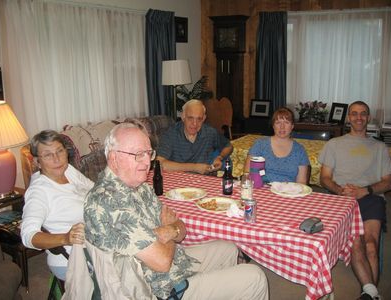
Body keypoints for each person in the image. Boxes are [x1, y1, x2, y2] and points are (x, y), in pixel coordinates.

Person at [84, 122, 269, 300]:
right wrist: (169, 228)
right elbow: (163, 262)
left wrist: (170, 230)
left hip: (175, 262)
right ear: (114, 158)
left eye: (149, 153)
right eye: (138, 154)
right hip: (160, 288)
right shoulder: (108, 201)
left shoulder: (140, 187)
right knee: (255, 277)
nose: (147, 161)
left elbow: (180, 230)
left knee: (228, 248)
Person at [318, 101, 391, 300]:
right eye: (354, 114)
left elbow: (388, 182)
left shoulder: (380, 147)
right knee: (355, 242)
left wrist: (365, 190)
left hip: (371, 198)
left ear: (368, 118)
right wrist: (340, 190)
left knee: (370, 243)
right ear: (348, 117)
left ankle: (368, 293)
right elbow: (324, 178)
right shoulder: (334, 144)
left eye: (363, 114)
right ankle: (372, 294)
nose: (358, 117)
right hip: (342, 199)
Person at [21, 130, 94, 281]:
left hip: (98, 243)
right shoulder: (39, 191)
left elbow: (95, 190)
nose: (57, 159)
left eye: (59, 151)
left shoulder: (68, 170)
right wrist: (65, 238)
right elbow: (28, 236)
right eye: (48, 155)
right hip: (73, 259)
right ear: (36, 161)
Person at [157, 99, 233, 174]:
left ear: (204, 118)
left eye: (199, 119)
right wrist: (194, 167)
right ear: (183, 116)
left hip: (204, 181)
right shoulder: (171, 134)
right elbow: (160, 163)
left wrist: (219, 157)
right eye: (190, 118)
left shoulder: (210, 132)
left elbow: (228, 146)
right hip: (179, 180)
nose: (195, 124)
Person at [244, 107, 309, 184]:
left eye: (286, 122)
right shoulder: (260, 144)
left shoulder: (300, 150)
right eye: (278, 123)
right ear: (273, 126)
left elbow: (301, 182)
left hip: (288, 192)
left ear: (292, 126)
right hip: (262, 190)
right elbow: (247, 173)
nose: (282, 127)